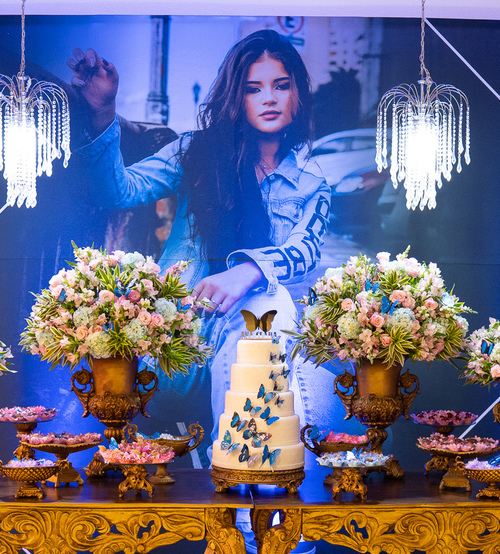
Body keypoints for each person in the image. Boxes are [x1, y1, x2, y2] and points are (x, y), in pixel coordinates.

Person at [69, 29, 333, 448]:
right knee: (270, 314)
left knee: (270, 309)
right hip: (180, 342)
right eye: (253, 89)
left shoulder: (310, 182)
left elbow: (305, 251)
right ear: (236, 97)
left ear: (297, 94)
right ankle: (244, 468)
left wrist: (249, 272)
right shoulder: (195, 151)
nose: (269, 98)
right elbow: (117, 191)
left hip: (259, 341)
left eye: (281, 86)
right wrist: (103, 113)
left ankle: (243, 473)